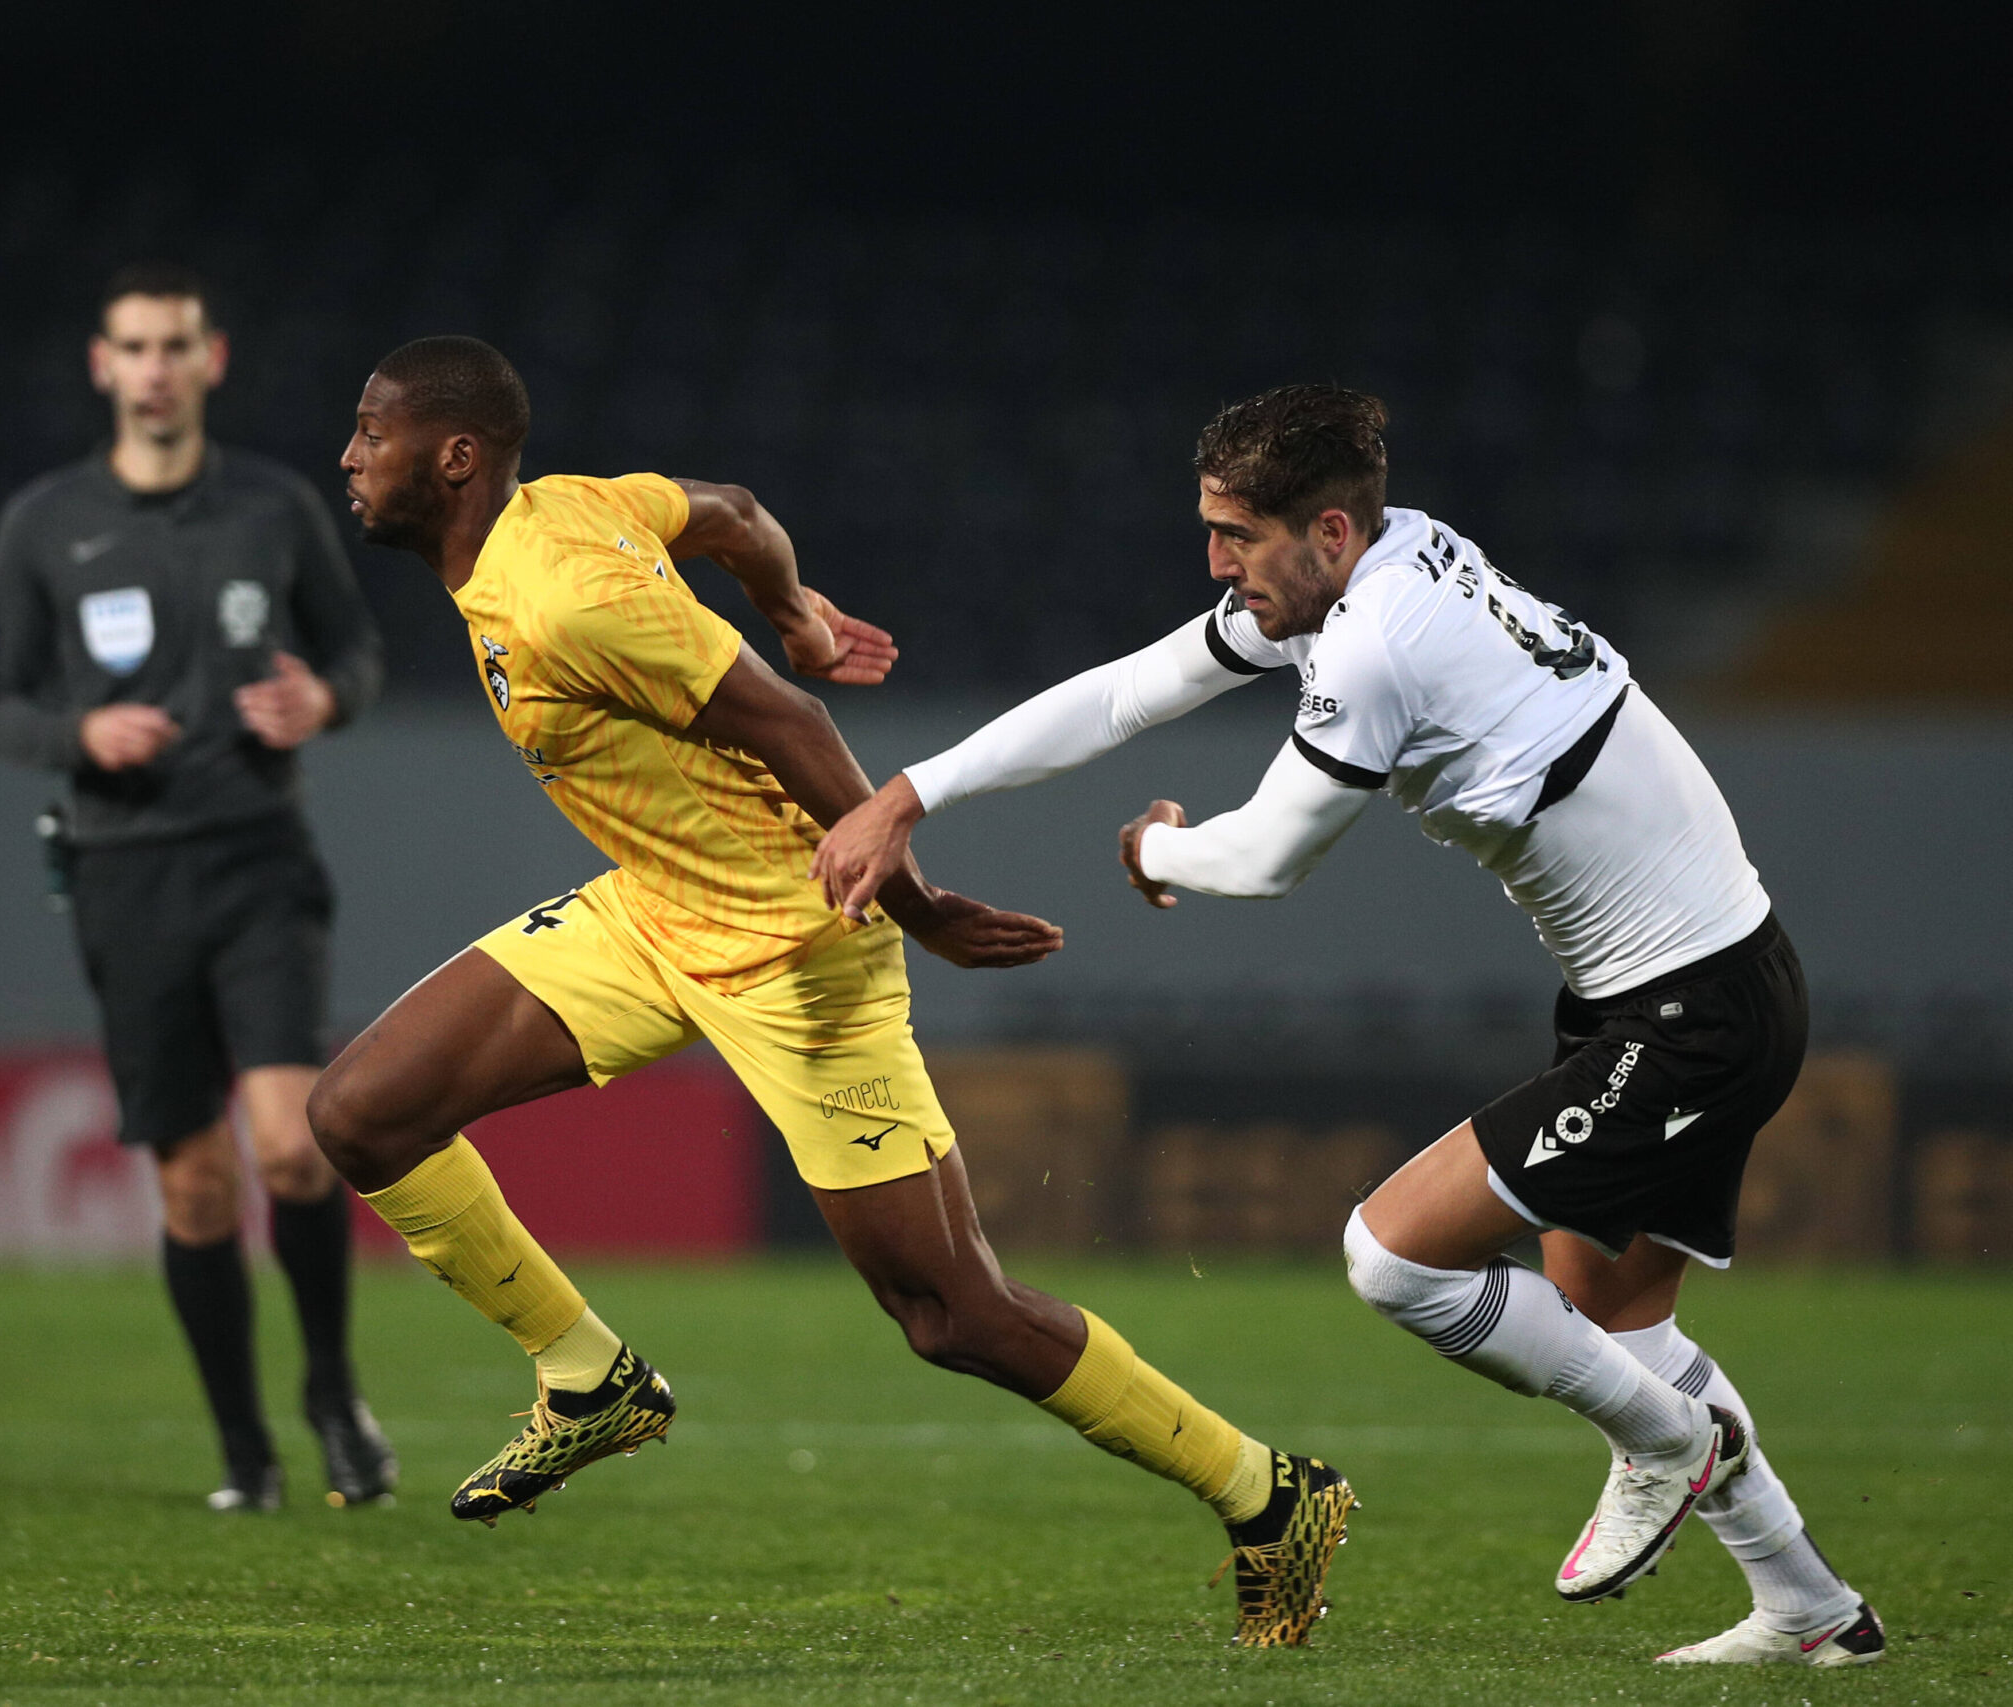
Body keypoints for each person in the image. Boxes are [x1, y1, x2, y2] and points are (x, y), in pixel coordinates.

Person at [811, 383, 1882, 1668]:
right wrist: (910, 794)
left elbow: (1265, 861)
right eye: (1209, 529)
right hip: (1680, 986)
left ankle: (1666, 1442)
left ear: (1326, 532)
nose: (1215, 563)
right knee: (1617, 1324)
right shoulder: (1386, 558)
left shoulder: (1378, 641)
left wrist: (1163, 845)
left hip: (1694, 1012)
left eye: (1238, 536)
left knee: (1394, 1256)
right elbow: (1121, 696)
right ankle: (1812, 1613)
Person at [307, 335, 1355, 1648]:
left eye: (369, 431)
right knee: (362, 1111)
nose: (349, 455)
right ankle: (590, 1379)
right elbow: (736, 514)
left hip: (802, 943)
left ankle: (1267, 1491)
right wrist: (796, 605)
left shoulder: (565, 593)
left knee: (951, 1314)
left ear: (452, 454)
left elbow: (790, 726)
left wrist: (915, 905)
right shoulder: (563, 509)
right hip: (653, 908)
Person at [0, 262, 395, 1512]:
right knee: (194, 1181)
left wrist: (323, 698)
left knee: (291, 1144)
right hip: (122, 874)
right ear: (102, 367)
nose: (154, 368)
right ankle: (245, 1455)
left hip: (259, 856)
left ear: (212, 360)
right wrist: (76, 738)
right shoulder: (44, 524)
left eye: (175, 346)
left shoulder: (273, 507)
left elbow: (359, 650)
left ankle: (329, 1389)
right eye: (133, 347)